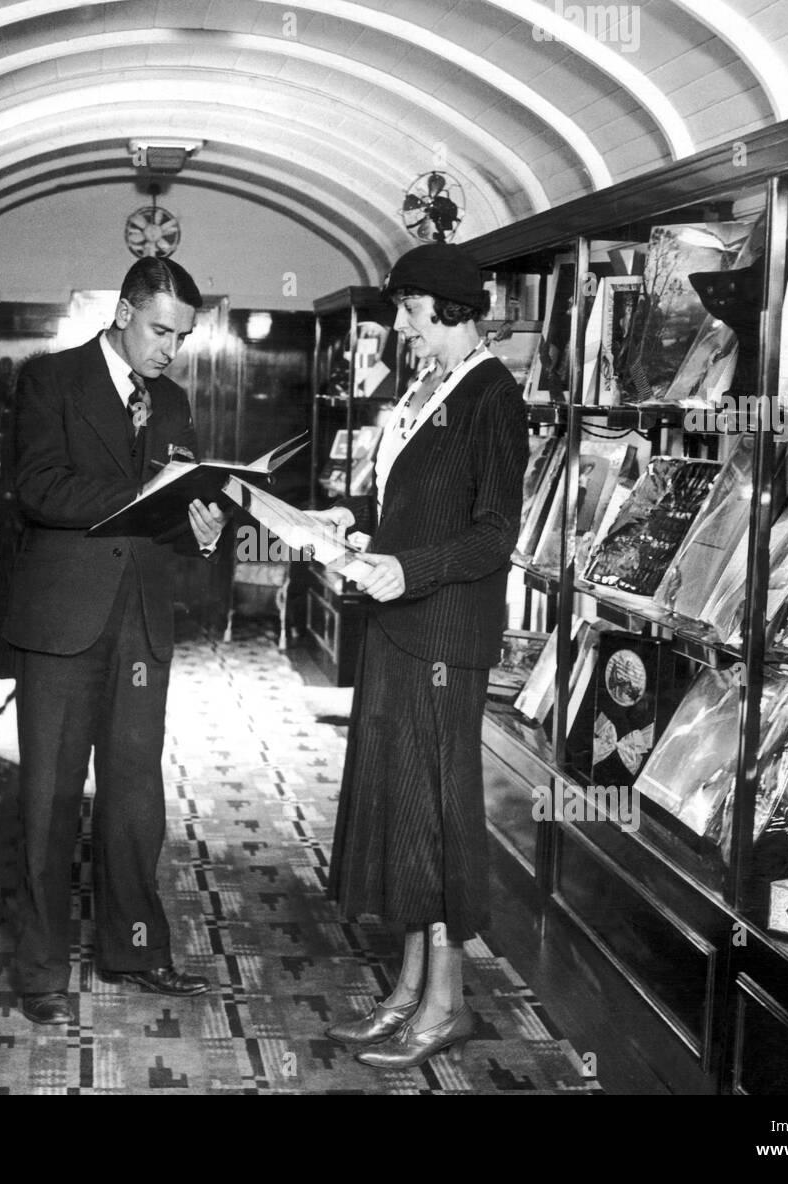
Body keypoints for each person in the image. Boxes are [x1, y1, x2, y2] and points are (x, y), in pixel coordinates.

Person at [308, 242, 527, 1068]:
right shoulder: (425, 390)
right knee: (402, 814)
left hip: (444, 637)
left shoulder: (492, 395)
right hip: (400, 632)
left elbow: (494, 534)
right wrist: (354, 526)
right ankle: (406, 993)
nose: (400, 321)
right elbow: (409, 507)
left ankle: (447, 1005)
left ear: (446, 308)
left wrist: (408, 568)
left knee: (436, 819)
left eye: (407, 307)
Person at [3, 257, 229, 1024]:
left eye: (183, 336)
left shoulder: (171, 401)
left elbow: (180, 501)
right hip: (63, 623)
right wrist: (143, 494)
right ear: (125, 311)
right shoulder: (49, 380)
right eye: (160, 330)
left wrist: (200, 524)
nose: (170, 348)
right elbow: (36, 487)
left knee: (135, 799)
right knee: (48, 801)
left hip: (140, 621)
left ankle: (136, 948)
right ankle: (39, 974)